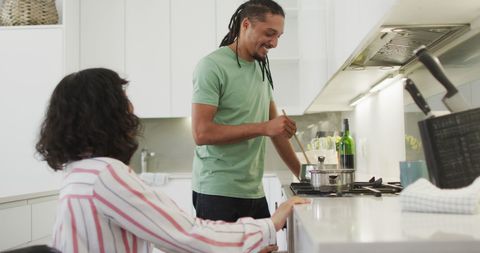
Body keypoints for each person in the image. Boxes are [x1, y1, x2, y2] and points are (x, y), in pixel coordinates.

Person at [35, 68, 309, 253]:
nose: (131, 108)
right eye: (123, 100)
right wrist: (271, 223)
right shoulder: (104, 175)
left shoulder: (79, 172)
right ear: (106, 112)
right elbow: (186, 233)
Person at [191, 0, 300, 222]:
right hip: (217, 192)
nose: (274, 43)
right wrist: (264, 128)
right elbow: (201, 133)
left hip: (253, 191)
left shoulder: (261, 68)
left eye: (279, 36)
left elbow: (275, 130)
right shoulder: (212, 66)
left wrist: (305, 178)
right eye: (270, 33)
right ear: (246, 24)